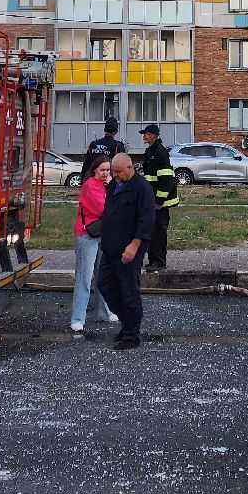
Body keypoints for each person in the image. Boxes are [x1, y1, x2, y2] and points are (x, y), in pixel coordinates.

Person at [96, 152, 156, 350]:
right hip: (110, 247)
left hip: (130, 248)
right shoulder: (114, 184)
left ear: (130, 168)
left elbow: (147, 221)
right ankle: (126, 322)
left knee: (129, 291)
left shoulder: (142, 188)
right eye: (113, 172)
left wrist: (135, 245)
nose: (115, 175)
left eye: (119, 172)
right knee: (105, 285)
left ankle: (131, 335)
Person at [70, 158, 119, 333]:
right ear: (94, 170)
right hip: (87, 236)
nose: (106, 173)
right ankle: (77, 319)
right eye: (102, 170)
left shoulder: (106, 185)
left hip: (101, 233)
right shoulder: (90, 186)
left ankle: (105, 312)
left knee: (103, 275)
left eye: (108, 170)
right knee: (84, 278)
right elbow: (104, 208)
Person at [138, 123, 179, 272]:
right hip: (153, 200)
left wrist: (159, 201)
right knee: (152, 232)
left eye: (147, 134)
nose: (144, 136)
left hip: (160, 203)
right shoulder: (151, 151)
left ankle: (160, 262)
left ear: (154, 135)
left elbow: (166, 178)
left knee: (159, 234)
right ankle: (153, 260)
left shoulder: (160, 152)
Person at [81, 118, 125, 182]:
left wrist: (83, 182)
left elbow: (86, 166)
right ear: (116, 132)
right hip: (110, 182)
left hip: (94, 181)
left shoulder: (93, 145)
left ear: (104, 130)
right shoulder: (118, 146)